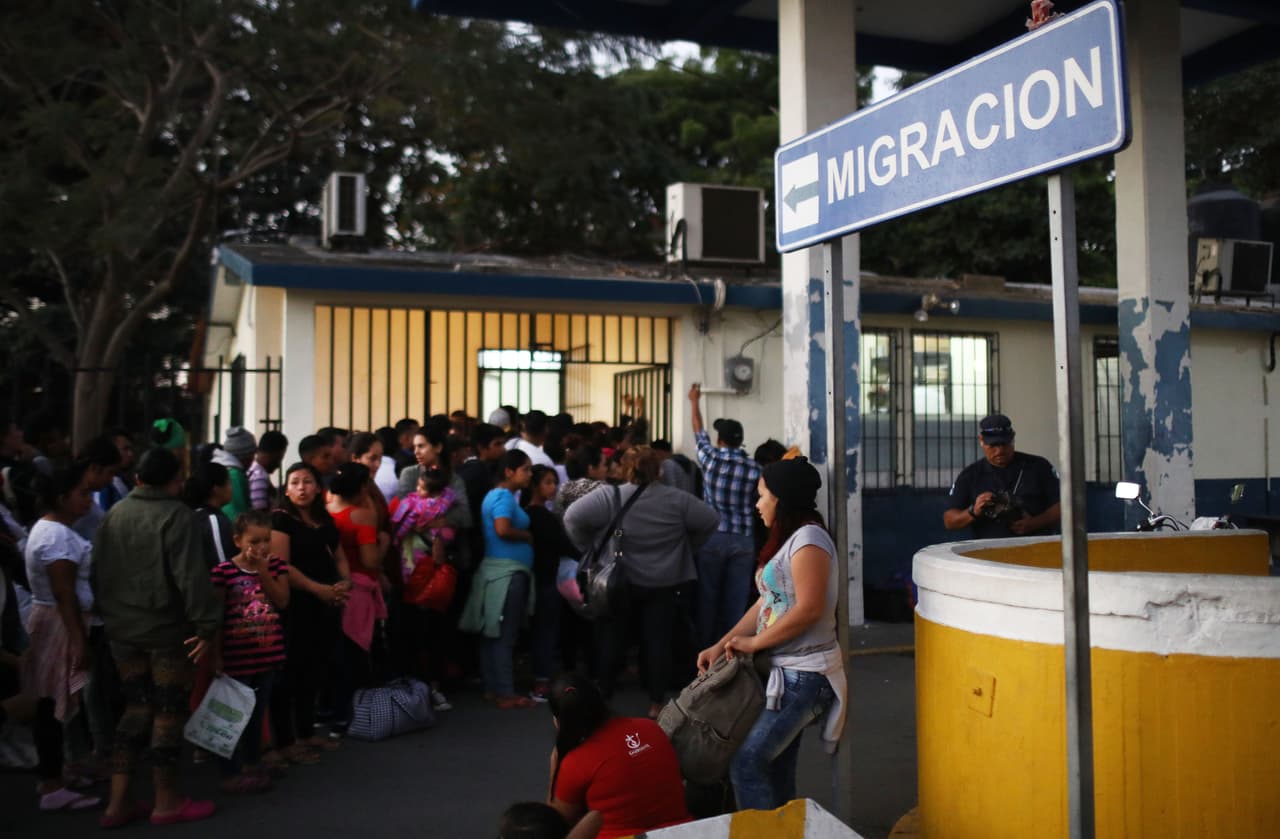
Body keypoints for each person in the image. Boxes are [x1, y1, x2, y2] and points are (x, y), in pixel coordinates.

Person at [697, 457, 847, 812]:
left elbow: (809, 608)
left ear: (781, 498)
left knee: (746, 761)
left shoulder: (809, 539)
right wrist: (723, 643)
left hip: (807, 675)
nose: (756, 503)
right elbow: (769, 602)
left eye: (762, 495)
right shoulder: (791, 538)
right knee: (774, 766)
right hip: (785, 672)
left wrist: (754, 643)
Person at [92, 447, 220, 827]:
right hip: (166, 632)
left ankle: (117, 803)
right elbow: (191, 578)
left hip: (120, 630)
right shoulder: (176, 516)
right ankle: (166, 800)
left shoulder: (114, 513)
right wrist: (207, 626)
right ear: (174, 481)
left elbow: (96, 572)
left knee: (135, 708)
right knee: (167, 712)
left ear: (137, 478)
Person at [564, 447, 719, 717]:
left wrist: (591, 548)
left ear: (624, 468)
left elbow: (572, 518)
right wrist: (684, 548)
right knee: (658, 641)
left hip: (617, 582)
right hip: (664, 581)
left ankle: (605, 696)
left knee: (612, 638)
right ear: (658, 470)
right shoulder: (677, 500)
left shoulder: (609, 496)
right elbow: (710, 521)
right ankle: (656, 701)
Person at [22, 463, 102, 812]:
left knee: (55, 704)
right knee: (52, 705)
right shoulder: (55, 536)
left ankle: (60, 773)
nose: (88, 500)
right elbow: (64, 593)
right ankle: (52, 783)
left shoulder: (54, 530)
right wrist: (78, 640)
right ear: (61, 497)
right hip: (58, 624)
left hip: (57, 621)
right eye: (82, 493)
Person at [268, 463, 349, 767]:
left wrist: (344, 582)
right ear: (286, 489)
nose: (301, 488)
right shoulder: (281, 520)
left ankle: (305, 732)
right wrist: (318, 589)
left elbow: (338, 555)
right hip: (297, 605)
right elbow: (281, 566)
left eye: (307, 482)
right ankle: (286, 741)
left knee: (314, 670)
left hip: (325, 604)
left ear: (318, 488)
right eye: (295, 482)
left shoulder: (322, 519)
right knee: (290, 674)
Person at [546, 673, 691, 839]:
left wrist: (555, 764)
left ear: (558, 720)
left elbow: (555, 825)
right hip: (681, 833)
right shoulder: (651, 727)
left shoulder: (575, 762)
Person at [209, 509, 288, 794]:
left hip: (266, 656)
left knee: (257, 714)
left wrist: (264, 570)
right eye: (254, 541)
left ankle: (252, 764)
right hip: (235, 657)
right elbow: (216, 617)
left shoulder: (275, 566)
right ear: (238, 540)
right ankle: (229, 772)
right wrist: (216, 656)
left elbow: (281, 601)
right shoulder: (223, 572)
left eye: (266, 540)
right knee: (230, 715)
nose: (262, 547)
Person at [460, 449, 536, 709]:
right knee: (505, 634)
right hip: (507, 574)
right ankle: (505, 692)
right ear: (509, 471)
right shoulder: (503, 496)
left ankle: (493, 688)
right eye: (525, 469)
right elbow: (502, 529)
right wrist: (526, 537)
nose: (530, 474)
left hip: (497, 572)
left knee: (492, 633)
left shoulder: (495, 495)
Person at [687, 383, 760, 649]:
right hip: (743, 540)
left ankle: (706, 651)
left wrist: (694, 401)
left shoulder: (709, 458)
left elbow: (698, 430)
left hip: (713, 538)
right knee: (736, 602)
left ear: (721, 440)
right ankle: (732, 653)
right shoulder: (755, 469)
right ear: (740, 441)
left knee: (707, 599)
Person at [328, 462, 384, 736]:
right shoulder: (362, 515)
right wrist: (383, 542)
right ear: (362, 488)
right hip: (358, 590)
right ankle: (352, 714)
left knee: (334, 654)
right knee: (355, 655)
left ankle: (328, 712)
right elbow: (370, 559)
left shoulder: (326, 509)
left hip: (330, 589)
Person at [943, 414, 1061, 539]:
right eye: (993, 445)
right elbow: (949, 521)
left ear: (1013, 438)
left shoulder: (1038, 466)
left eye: (1004, 444)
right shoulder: (970, 475)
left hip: (1035, 548)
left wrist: (1034, 523)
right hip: (988, 552)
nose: (999, 451)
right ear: (981, 441)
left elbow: (1064, 507)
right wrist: (973, 511)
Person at [522, 465, 578, 703]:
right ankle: (542, 681)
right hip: (546, 579)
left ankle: (540, 677)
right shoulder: (541, 515)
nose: (553, 487)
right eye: (547, 482)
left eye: (554, 482)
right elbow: (563, 545)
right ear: (535, 485)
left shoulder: (529, 513)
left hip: (539, 577)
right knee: (546, 631)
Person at [183, 462, 237, 567]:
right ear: (216, 489)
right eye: (229, 483)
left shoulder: (195, 514)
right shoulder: (214, 521)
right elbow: (222, 566)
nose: (231, 488)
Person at [214, 427, 257, 520]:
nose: (253, 460)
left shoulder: (221, 469)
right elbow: (237, 515)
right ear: (246, 456)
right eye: (252, 454)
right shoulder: (234, 475)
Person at [556, 445, 607, 517]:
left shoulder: (562, 489)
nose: (606, 469)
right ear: (591, 468)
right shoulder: (601, 490)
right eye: (604, 465)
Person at [248, 430, 289, 511]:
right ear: (272, 454)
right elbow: (259, 511)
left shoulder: (251, 468)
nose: (278, 465)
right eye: (279, 459)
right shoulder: (260, 476)